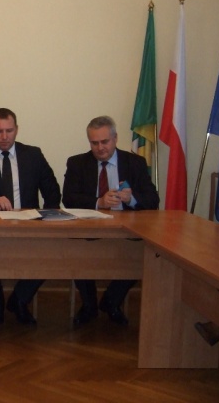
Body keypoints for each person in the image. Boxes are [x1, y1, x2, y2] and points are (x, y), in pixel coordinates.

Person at [0, 108, 61, 325]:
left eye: (9, 131)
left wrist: (47, 218)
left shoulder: (33, 155)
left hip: (29, 225)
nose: (5, 136)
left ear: (17, 129)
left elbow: (52, 191)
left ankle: (19, 300)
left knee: (51, 250)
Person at [62, 115, 159, 327]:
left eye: (104, 142)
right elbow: (68, 198)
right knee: (78, 249)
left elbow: (153, 200)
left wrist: (131, 199)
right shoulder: (77, 163)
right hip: (90, 228)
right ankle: (89, 305)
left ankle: (111, 301)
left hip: (127, 229)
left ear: (115, 138)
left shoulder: (135, 163)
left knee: (141, 251)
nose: (100, 148)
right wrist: (99, 201)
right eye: (94, 143)